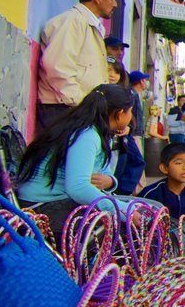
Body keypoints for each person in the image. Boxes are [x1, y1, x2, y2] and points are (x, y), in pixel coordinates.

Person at [17, 84, 134, 243]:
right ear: (120, 114)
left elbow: (103, 169)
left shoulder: (98, 132)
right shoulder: (87, 135)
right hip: (38, 208)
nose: (131, 116)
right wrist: (124, 211)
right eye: (130, 111)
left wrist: (110, 181)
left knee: (120, 213)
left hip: (55, 201)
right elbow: (77, 188)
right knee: (120, 225)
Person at [37, 0, 120, 132]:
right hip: (62, 108)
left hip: (75, 109)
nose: (115, 4)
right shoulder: (73, 21)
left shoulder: (90, 25)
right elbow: (57, 66)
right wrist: (80, 102)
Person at [139, 142, 185, 227]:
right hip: (155, 237)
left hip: (183, 236)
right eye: (179, 163)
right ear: (164, 168)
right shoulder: (151, 192)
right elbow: (137, 213)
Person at [114, 70, 149, 195]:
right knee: (136, 160)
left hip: (132, 131)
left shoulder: (135, 94)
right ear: (140, 81)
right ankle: (134, 191)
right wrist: (131, 128)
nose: (146, 83)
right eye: (144, 80)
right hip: (130, 133)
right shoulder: (131, 94)